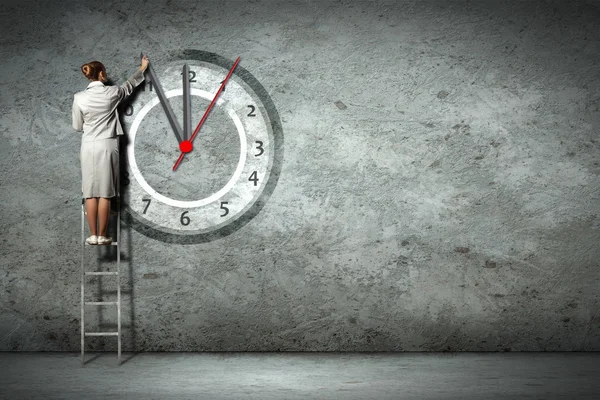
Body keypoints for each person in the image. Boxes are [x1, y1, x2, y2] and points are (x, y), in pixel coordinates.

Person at [72, 55, 149, 245]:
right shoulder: (112, 92)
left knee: (90, 191)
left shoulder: (79, 97)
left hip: (88, 145)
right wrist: (142, 69)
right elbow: (129, 86)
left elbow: (76, 126)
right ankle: (102, 235)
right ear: (101, 74)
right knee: (105, 192)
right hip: (107, 145)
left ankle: (92, 235)